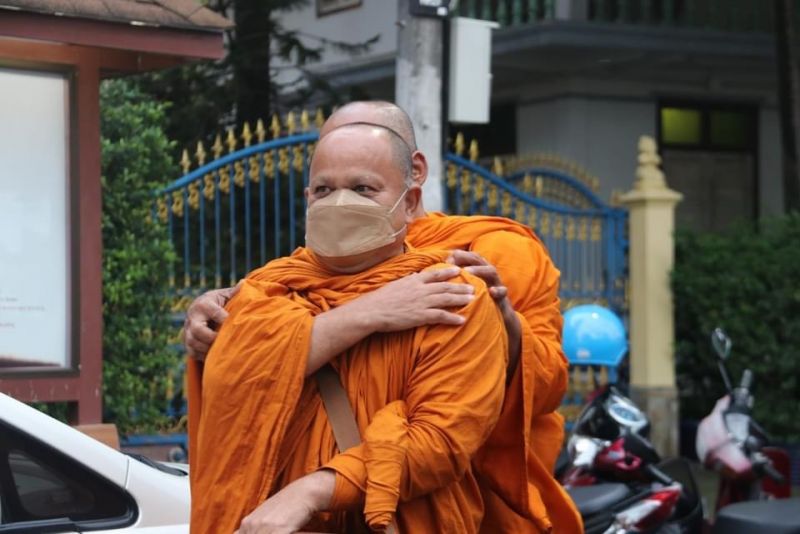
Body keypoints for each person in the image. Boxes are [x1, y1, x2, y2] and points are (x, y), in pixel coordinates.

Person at [184, 101, 581, 532]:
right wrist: (368, 311)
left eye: (363, 186)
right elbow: (240, 375)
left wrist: (507, 329)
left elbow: (456, 432)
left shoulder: (469, 272)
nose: (340, 201)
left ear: (413, 182)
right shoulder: (277, 283)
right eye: (324, 187)